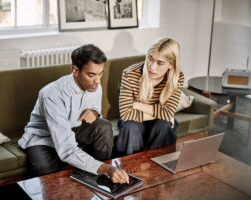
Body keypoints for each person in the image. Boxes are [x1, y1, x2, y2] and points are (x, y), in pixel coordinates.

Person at [18, 44, 129, 184]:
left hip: (73, 129)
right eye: (91, 75)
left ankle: (99, 182)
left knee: (104, 126)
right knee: (45, 170)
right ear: (75, 70)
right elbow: (66, 148)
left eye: (100, 73)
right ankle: (101, 170)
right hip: (43, 139)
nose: (97, 80)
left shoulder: (95, 85)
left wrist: (95, 112)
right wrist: (106, 168)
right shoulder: (52, 95)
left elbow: (95, 108)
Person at [116, 38, 185, 155]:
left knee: (163, 125)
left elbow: (168, 112)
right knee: (131, 127)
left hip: (155, 121)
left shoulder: (177, 78)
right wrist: (163, 114)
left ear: (171, 64)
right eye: (150, 59)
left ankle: (158, 168)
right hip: (133, 121)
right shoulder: (130, 74)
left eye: (160, 63)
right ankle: (130, 169)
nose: (152, 67)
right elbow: (126, 114)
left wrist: (136, 105)